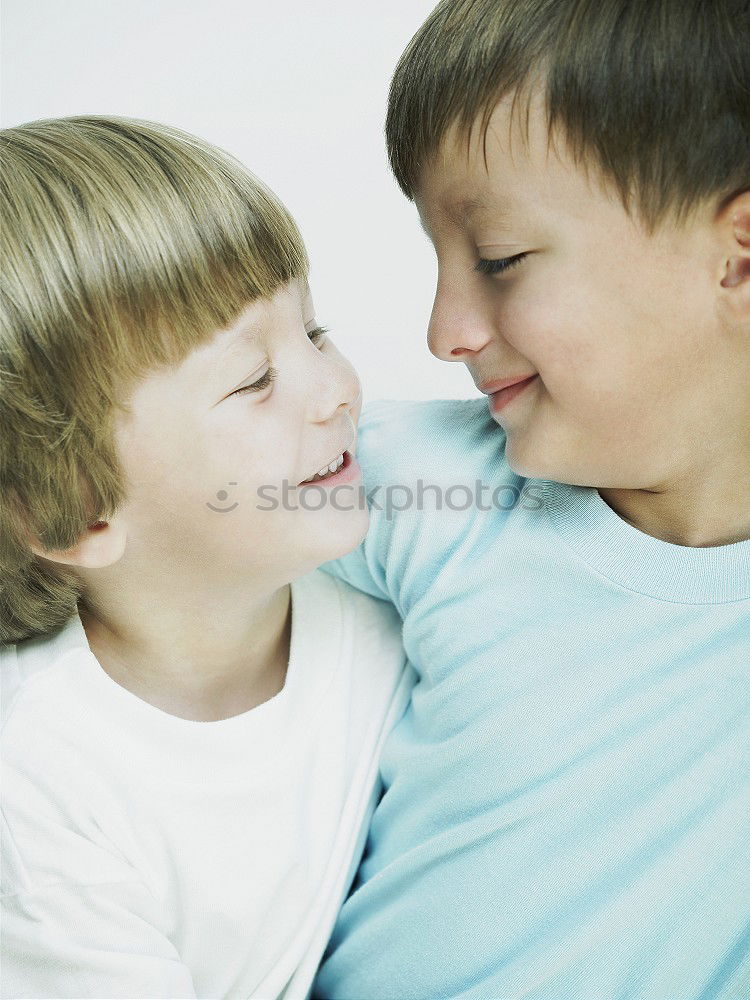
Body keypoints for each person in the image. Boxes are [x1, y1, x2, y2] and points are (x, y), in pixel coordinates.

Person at [312, 1, 750, 997]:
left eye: (498, 260)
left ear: (739, 257)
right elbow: (131, 499)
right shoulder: (425, 483)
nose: (445, 330)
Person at [0, 116, 413, 999]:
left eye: (315, 329)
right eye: (252, 381)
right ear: (77, 509)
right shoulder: (38, 786)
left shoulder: (395, 600)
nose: (336, 387)